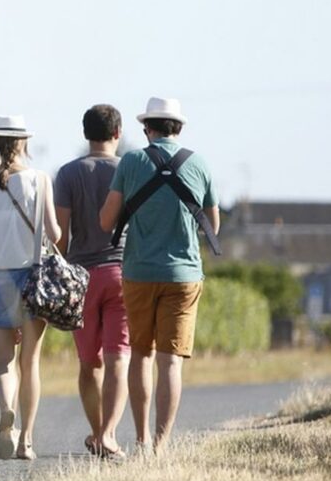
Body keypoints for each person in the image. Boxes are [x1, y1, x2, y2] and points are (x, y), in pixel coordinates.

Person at [100, 97, 219, 453]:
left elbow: (107, 221)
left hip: (138, 271)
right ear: (178, 128)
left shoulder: (133, 161)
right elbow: (212, 226)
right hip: (184, 275)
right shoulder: (199, 163)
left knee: (141, 354)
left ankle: (139, 438)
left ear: (147, 128)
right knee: (170, 361)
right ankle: (161, 443)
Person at [0, 115, 61, 461]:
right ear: (24, 143)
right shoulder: (40, 180)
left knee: (3, 361)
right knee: (31, 361)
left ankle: (5, 410)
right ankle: (25, 439)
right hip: (33, 276)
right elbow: (54, 233)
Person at [54, 104, 130, 460]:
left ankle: (98, 430)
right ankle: (110, 434)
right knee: (119, 360)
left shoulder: (68, 174)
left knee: (89, 363)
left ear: (86, 134)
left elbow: (60, 235)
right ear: (118, 133)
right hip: (121, 272)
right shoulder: (129, 171)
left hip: (81, 276)